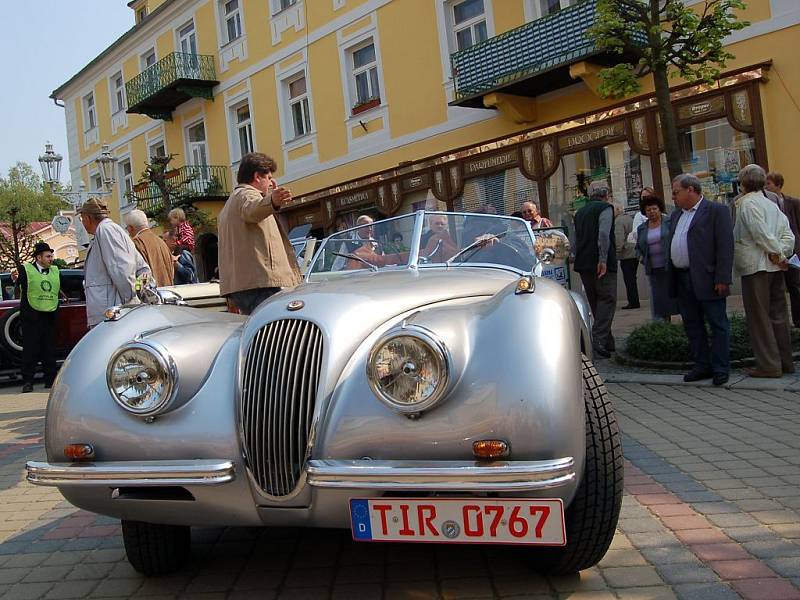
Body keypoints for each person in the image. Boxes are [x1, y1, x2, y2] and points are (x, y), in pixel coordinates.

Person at [668, 173, 734, 386]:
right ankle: (702, 365)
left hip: (708, 278)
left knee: (717, 324)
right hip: (682, 278)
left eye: (676, 192)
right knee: (692, 324)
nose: (673, 197)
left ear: (691, 190)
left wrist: (722, 277)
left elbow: (725, 246)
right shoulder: (677, 215)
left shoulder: (716, 211)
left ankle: (720, 368)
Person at [217, 152, 301, 315]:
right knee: (275, 334)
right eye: (268, 177)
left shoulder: (230, 203)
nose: (271, 183)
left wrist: (270, 201)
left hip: (246, 283)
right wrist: (272, 201)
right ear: (257, 176)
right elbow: (253, 209)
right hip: (260, 283)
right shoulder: (246, 194)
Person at [733, 164, 795, 377]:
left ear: (743, 183)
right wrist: (782, 254)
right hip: (775, 268)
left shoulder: (746, 204)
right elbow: (789, 236)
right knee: (778, 315)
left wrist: (777, 253)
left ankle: (769, 365)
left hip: (756, 267)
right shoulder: (772, 204)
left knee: (759, 318)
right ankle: (785, 362)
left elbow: (759, 233)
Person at [79, 198, 142, 328]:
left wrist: (128, 302)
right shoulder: (111, 230)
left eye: (82, 218)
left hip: (112, 313)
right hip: (112, 311)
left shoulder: (106, 230)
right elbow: (141, 266)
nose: (82, 223)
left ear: (88, 218)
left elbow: (120, 269)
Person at [573, 181, 617, 358]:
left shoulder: (580, 212)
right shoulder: (605, 208)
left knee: (595, 301)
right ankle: (598, 339)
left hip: (584, 263)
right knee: (607, 299)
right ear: (606, 194)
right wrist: (603, 259)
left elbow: (574, 238)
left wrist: (575, 254)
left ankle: (608, 342)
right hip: (600, 262)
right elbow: (604, 234)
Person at [12, 243, 62, 392]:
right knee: (30, 350)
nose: (51, 259)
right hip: (31, 317)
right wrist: (14, 277)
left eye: (51, 256)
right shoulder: (26, 269)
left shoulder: (54, 270)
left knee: (49, 350)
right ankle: (28, 381)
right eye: (48, 256)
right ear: (38, 257)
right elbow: (16, 282)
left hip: (49, 315)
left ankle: (50, 380)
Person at [765, 171, 800, 327]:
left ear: (778, 185)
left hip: (793, 253)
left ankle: (798, 319)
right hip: (774, 254)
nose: (766, 187)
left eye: (769, 184)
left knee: (795, 286)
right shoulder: (765, 205)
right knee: (777, 289)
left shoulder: (793, 203)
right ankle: (781, 323)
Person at [635, 193, 677, 321]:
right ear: (645, 212)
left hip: (670, 267)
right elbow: (638, 247)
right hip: (653, 269)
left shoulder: (669, 222)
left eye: (654, 208)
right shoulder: (642, 228)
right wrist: (640, 257)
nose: (652, 212)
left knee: (673, 298)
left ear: (660, 209)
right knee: (658, 300)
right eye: (648, 210)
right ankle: (661, 325)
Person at [124, 209, 174, 287]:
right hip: (168, 292)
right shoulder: (161, 242)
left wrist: (136, 290)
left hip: (152, 294)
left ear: (130, 228)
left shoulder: (136, 243)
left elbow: (139, 274)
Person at [614, 204, 640, 310]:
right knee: (632, 278)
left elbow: (619, 240)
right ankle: (634, 300)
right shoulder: (629, 218)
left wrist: (616, 253)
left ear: (617, 210)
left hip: (626, 254)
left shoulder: (618, 222)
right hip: (634, 252)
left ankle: (633, 302)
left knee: (629, 280)